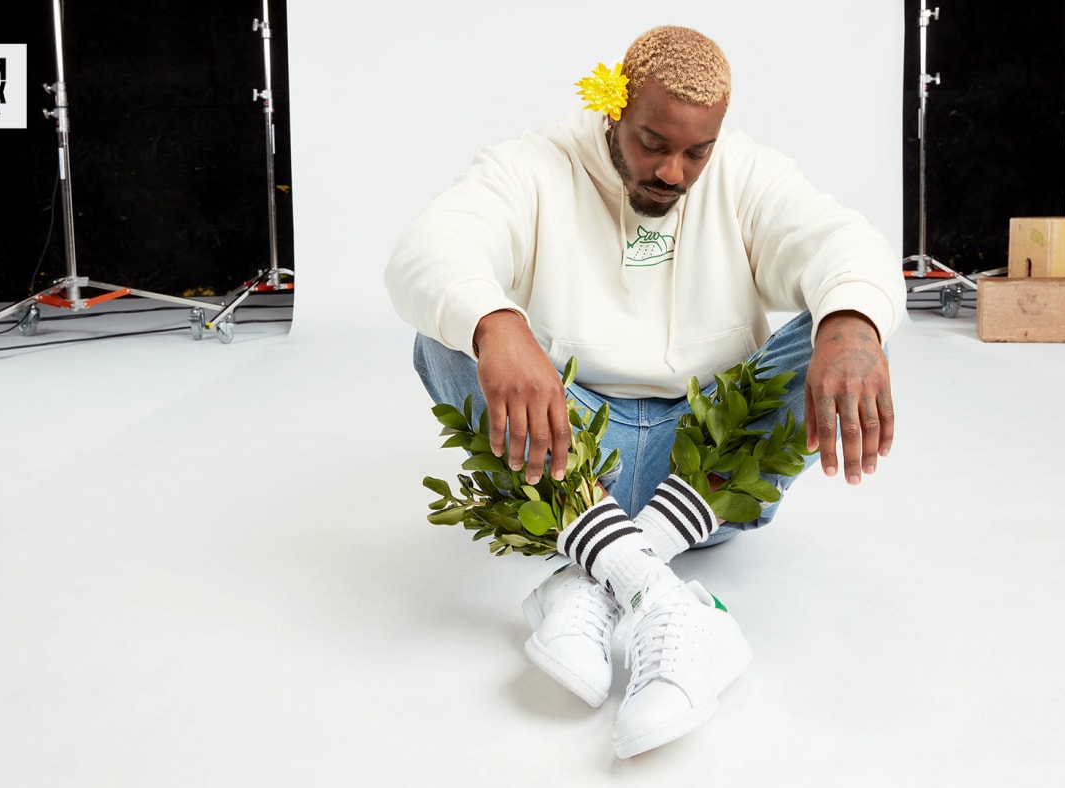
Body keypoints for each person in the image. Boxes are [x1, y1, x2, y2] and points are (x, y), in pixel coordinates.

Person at [385, 26, 906, 758]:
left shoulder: (749, 174)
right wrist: (497, 324)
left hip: (709, 467)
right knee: (445, 328)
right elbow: (429, 244)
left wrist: (853, 326)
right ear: (612, 110)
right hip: (566, 457)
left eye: (697, 151)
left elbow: (841, 241)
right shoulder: (532, 166)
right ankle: (664, 598)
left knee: (846, 316)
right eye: (651, 142)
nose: (672, 170)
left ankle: (599, 576)